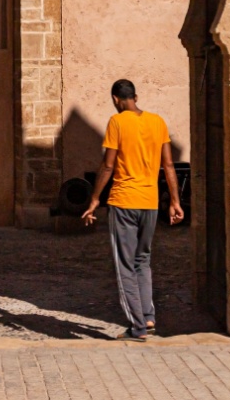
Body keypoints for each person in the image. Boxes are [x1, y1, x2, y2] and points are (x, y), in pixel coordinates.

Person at [81, 78, 184, 341]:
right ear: (135, 97)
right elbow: (169, 166)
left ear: (116, 99)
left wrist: (94, 200)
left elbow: (107, 166)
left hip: (124, 202)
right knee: (143, 261)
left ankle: (137, 327)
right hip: (149, 202)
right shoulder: (157, 122)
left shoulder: (117, 122)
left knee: (125, 265)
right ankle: (148, 316)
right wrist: (174, 201)